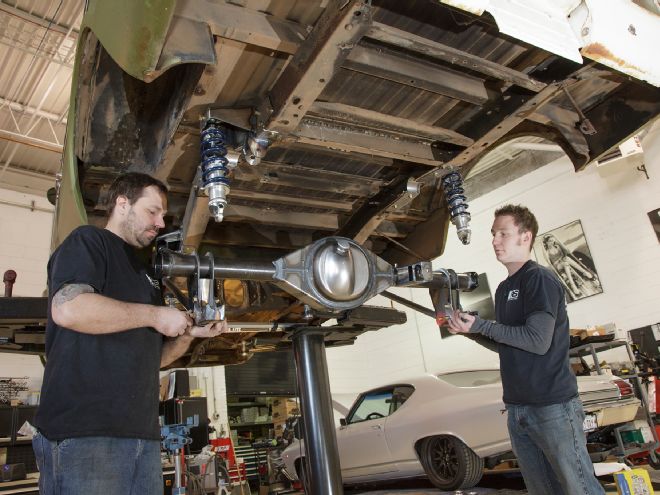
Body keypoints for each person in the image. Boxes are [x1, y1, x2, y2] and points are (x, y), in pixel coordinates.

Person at [32, 172, 227, 495]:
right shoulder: (88, 242)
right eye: (153, 211)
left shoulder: (144, 274)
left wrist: (188, 333)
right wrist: (155, 315)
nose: (161, 223)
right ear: (122, 204)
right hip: (85, 435)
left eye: (162, 215)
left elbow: (154, 360)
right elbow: (68, 308)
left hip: (142, 437)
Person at [447, 204, 604, 495]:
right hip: (519, 408)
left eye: (503, 234)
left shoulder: (539, 280)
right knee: (541, 490)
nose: (495, 240)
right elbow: (508, 343)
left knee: (578, 488)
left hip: (552, 407)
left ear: (525, 236)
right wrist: (469, 331)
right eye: (493, 234)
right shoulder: (505, 288)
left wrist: (482, 325)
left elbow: (536, 340)